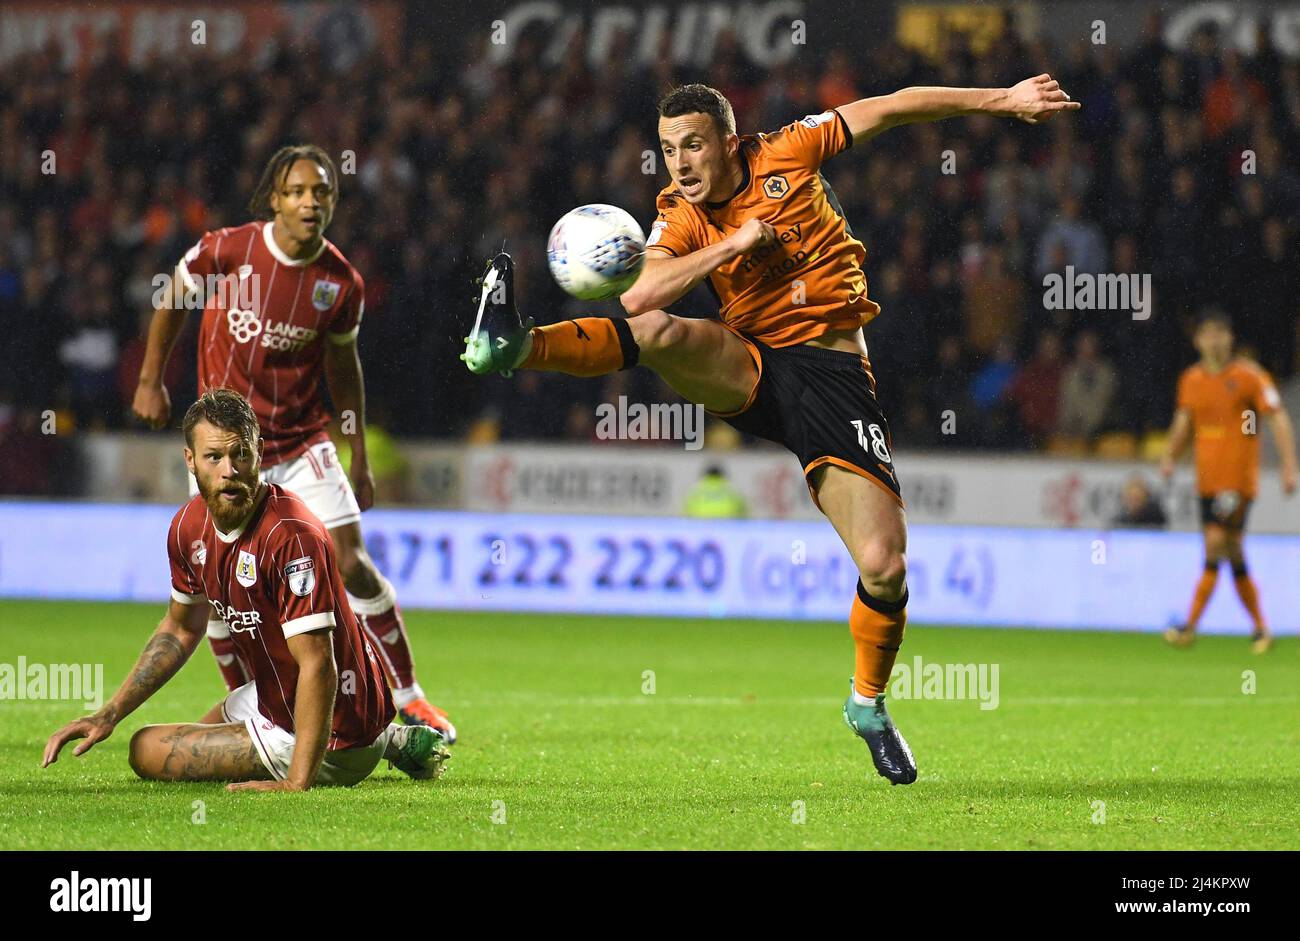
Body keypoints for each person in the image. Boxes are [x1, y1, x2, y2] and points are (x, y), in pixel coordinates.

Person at [463, 75, 1079, 784]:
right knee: (659, 329)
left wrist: (1003, 100)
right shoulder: (679, 216)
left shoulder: (789, 150)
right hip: (751, 367)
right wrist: (732, 247)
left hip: (835, 379)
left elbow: (892, 107)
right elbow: (639, 294)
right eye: (667, 151)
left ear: (729, 142)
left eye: (693, 145)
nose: (681, 164)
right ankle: (517, 345)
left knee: (884, 564)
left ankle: (868, 704)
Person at [130, 145, 455, 739]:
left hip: (301, 444)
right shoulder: (227, 250)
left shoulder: (339, 283)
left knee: (351, 561)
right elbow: (172, 300)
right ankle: (258, 710)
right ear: (275, 199)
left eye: (322, 192)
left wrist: (356, 452)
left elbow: (344, 369)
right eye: (298, 191)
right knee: (222, 594)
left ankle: (410, 698)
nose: (311, 202)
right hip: (229, 453)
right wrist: (151, 379)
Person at [43, 390, 449, 788]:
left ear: (260, 453)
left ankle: (365, 747)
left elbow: (317, 664)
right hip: (282, 697)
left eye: (240, 454)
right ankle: (393, 739)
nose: (229, 470)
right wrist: (108, 713)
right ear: (190, 460)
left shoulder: (292, 535)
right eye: (214, 457)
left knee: (145, 749)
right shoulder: (189, 527)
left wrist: (296, 782)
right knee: (208, 720)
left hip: (335, 731)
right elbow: (181, 628)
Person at [1160, 309, 1297, 652]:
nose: (1215, 340)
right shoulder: (1191, 380)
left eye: (1221, 333)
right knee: (1232, 551)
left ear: (1230, 338)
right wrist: (1170, 456)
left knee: (1215, 542)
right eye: (1208, 333)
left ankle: (1189, 626)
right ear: (1197, 341)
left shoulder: (1250, 378)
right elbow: (1184, 421)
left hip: (1236, 482)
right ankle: (1262, 629)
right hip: (1206, 481)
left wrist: (1289, 466)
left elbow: (1277, 417)